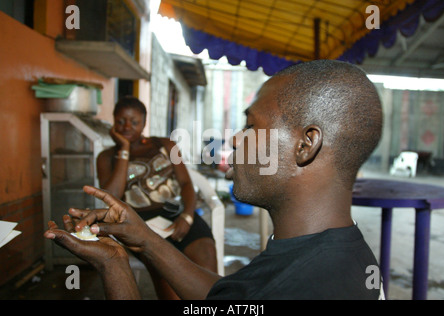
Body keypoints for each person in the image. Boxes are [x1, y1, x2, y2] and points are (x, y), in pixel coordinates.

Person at [44, 60, 384, 299]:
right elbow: (230, 299)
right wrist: (144, 239)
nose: (235, 139)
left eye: (251, 126)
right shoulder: (314, 252)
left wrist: (114, 268)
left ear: (305, 145)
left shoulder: (308, 287)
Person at [94, 96, 217, 299]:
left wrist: (187, 216)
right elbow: (111, 197)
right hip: (137, 221)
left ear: (144, 122)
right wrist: (124, 150)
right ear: (113, 121)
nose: (127, 127)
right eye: (121, 121)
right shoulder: (106, 157)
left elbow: (186, 183)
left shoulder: (168, 145)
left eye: (134, 122)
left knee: (206, 254)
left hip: (175, 212)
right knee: (163, 271)